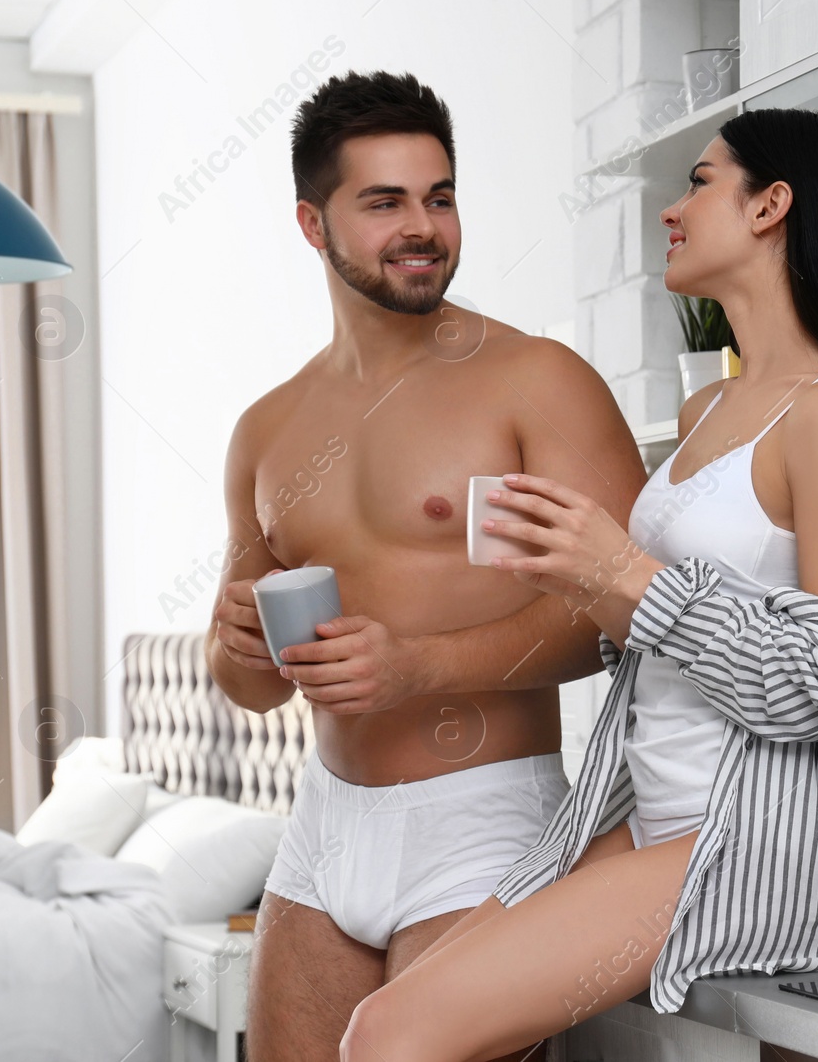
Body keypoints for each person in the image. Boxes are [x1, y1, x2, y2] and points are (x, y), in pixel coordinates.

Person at [339, 106, 818, 1062]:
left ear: (773, 204)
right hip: (641, 815)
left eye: (699, 181)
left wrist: (624, 573)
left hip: (747, 845)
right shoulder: (707, 406)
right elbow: (655, 628)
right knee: (387, 1021)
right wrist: (582, 573)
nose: (670, 209)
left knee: (391, 1037)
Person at [203, 70, 647, 1062]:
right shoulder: (266, 430)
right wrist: (232, 647)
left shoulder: (537, 380)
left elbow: (625, 613)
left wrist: (419, 667)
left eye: (439, 197)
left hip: (482, 817)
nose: (424, 226)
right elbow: (248, 684)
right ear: (313, 226)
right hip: (324, 828)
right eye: (386, 201)